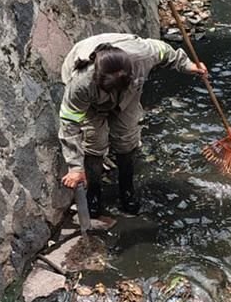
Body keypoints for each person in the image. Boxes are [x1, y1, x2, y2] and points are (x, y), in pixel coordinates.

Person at [58, 33, 207, 216]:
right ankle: (94, 193)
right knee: (94, 142)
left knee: (127, 138)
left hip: (129, 95)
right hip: (92, 103)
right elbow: (70, 122)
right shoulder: (81, 82)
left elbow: (165, 51)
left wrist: (187, 65)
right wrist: (75, 167)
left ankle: (126, 189)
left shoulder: (142, 55)